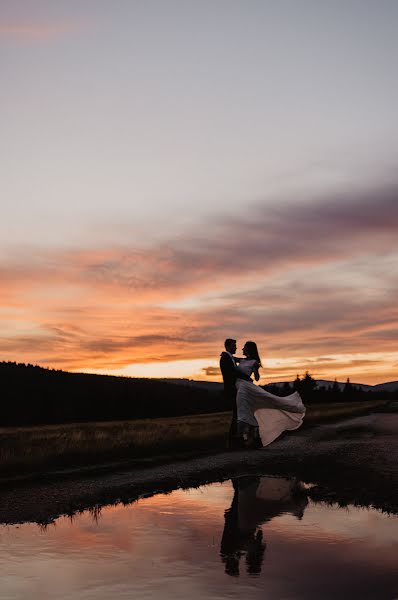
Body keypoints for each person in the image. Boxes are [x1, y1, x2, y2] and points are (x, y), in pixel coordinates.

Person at [235, 341, 305, 448]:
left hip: (246, 388)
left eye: (244, 348)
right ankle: (251, 438)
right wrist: (225, 354)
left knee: (248, 410)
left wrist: (255, 370)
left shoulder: (254, 362)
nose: (242, 349)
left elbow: (257, 378)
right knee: (249, 411)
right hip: (240, 386)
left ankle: (244, 439)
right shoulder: (242, 360)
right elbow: (231, 358)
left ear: (248, 349)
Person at [220, 338, 252, 449]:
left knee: (237, 414)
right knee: (236, 415)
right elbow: (232, 374)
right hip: (232, 390)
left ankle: (234, 441)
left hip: (236, 389)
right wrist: (246, 378)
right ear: (228, 347)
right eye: (233, 346)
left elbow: (240, 363)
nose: (236, 348)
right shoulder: (225, 358)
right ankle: (232, 442)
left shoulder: (229, 357)